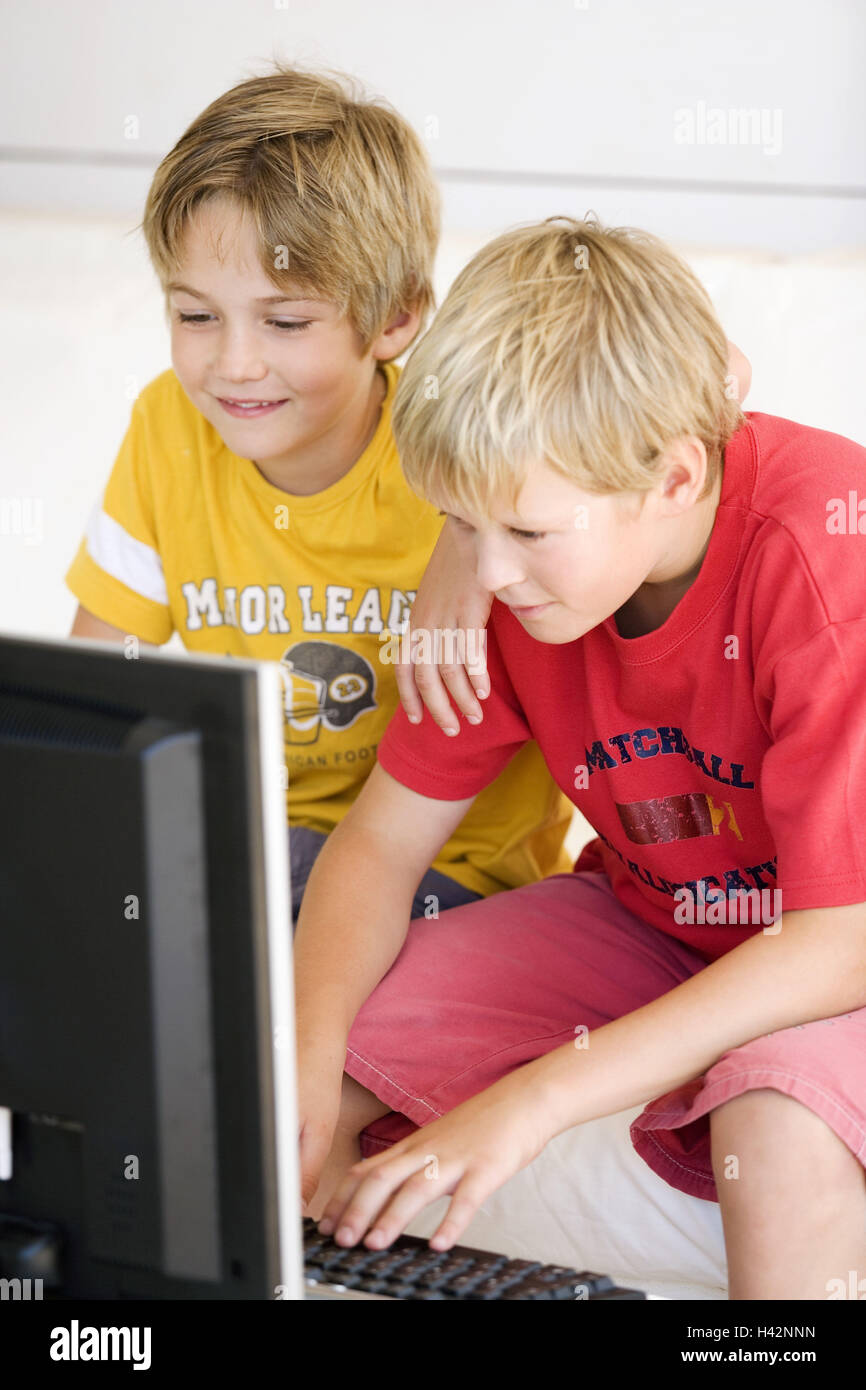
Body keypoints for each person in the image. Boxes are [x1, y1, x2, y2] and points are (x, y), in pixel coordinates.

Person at [297, 215, 866, 1301]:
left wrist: (537, 1098)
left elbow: (835, 945)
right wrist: (306, 1057)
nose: (492, 571)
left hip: (835, 949)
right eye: (458, 524)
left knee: (775, 1124)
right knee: (311, 1040)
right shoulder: (501, 573)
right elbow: (377, 843)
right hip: (652, 918)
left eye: (523, 532)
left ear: (671, 477)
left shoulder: (817, 563)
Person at [64, 64, 577, 924]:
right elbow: (92, 696)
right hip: (256, 842)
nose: (232, 364)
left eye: (286, 321)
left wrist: (461, 536)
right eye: (196, 316)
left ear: (397, 318)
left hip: (453, 869)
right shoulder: (166, 426)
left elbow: (684, 401)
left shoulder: (467, 446)